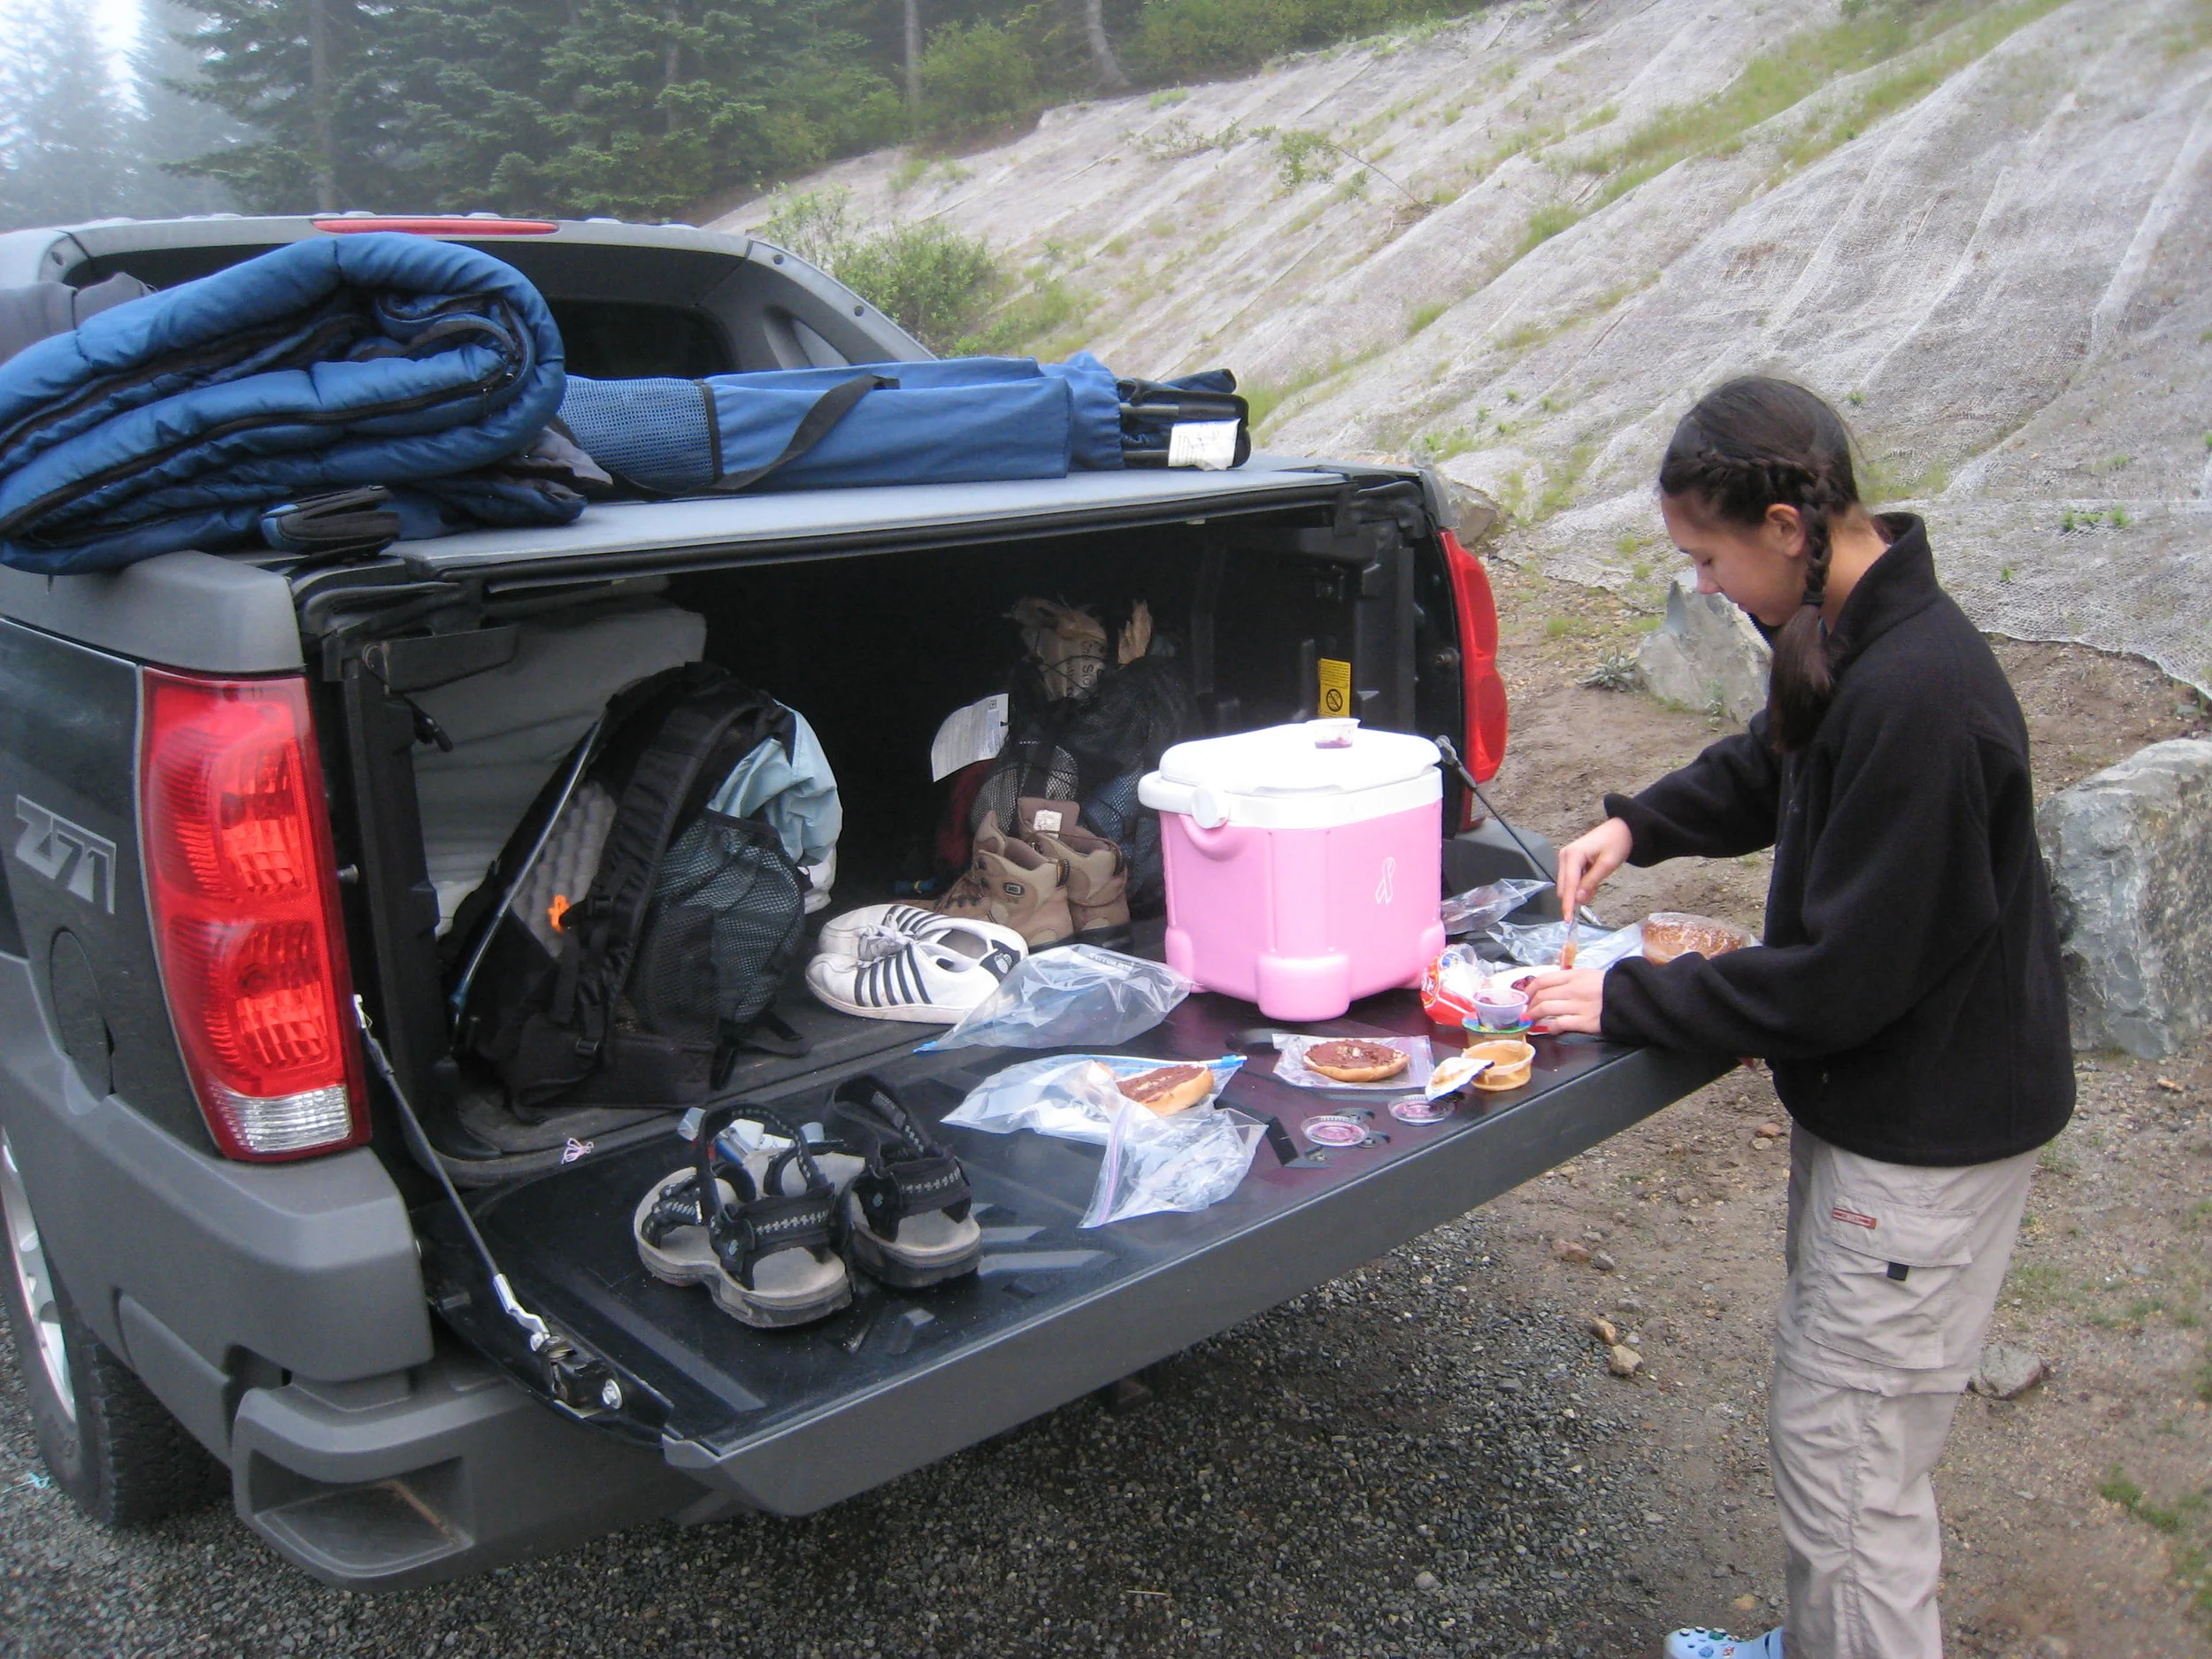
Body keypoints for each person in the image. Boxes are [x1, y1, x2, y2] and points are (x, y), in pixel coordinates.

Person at [1524, 377, 2072, 1659]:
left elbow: (1834, 982)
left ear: (1783, 523)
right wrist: (1637, 821)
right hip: (1892, 1106)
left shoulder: (1923, 696)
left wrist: (1623, 993)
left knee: (1850, 1463)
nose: (1703, 585)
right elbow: (1774, 756)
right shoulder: (1850, 629)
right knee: (1836, 1421)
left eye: (1706, 557)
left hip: (1927, 1135)